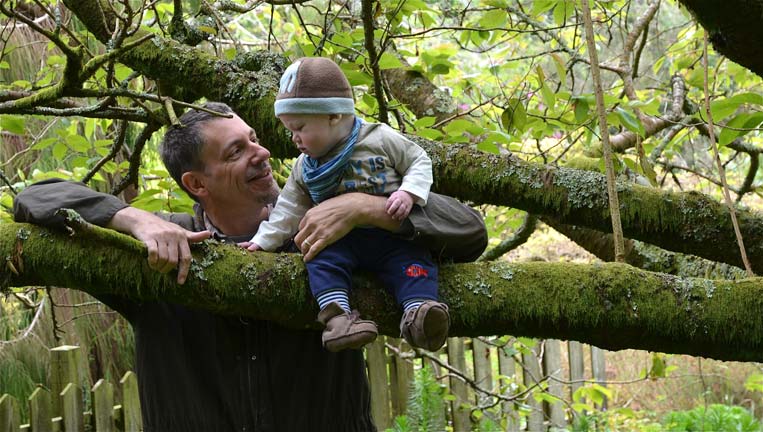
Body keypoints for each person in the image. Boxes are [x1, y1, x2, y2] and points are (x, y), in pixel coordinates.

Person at [12, 101, 487, 431]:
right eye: (236, 151)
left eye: (254, 139)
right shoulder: (159, 250)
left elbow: (469, 231)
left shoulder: (330, 231)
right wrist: (131, 217)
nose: (261, 153)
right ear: (197, 183)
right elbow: (34, 198)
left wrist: (367, 208)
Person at [245, 57, 449, 353]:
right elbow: (288, 208)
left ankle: (420, 314)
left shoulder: (379, 139)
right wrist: (262, 241)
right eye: (290, 130)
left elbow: (418, 160)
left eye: (300, 127)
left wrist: (408, 193)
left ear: (334, 115)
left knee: (414, 263)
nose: (294, 139)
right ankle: (338, 319)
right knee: (318, 259)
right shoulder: (305, 167)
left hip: (390, 233)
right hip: (339, 239)